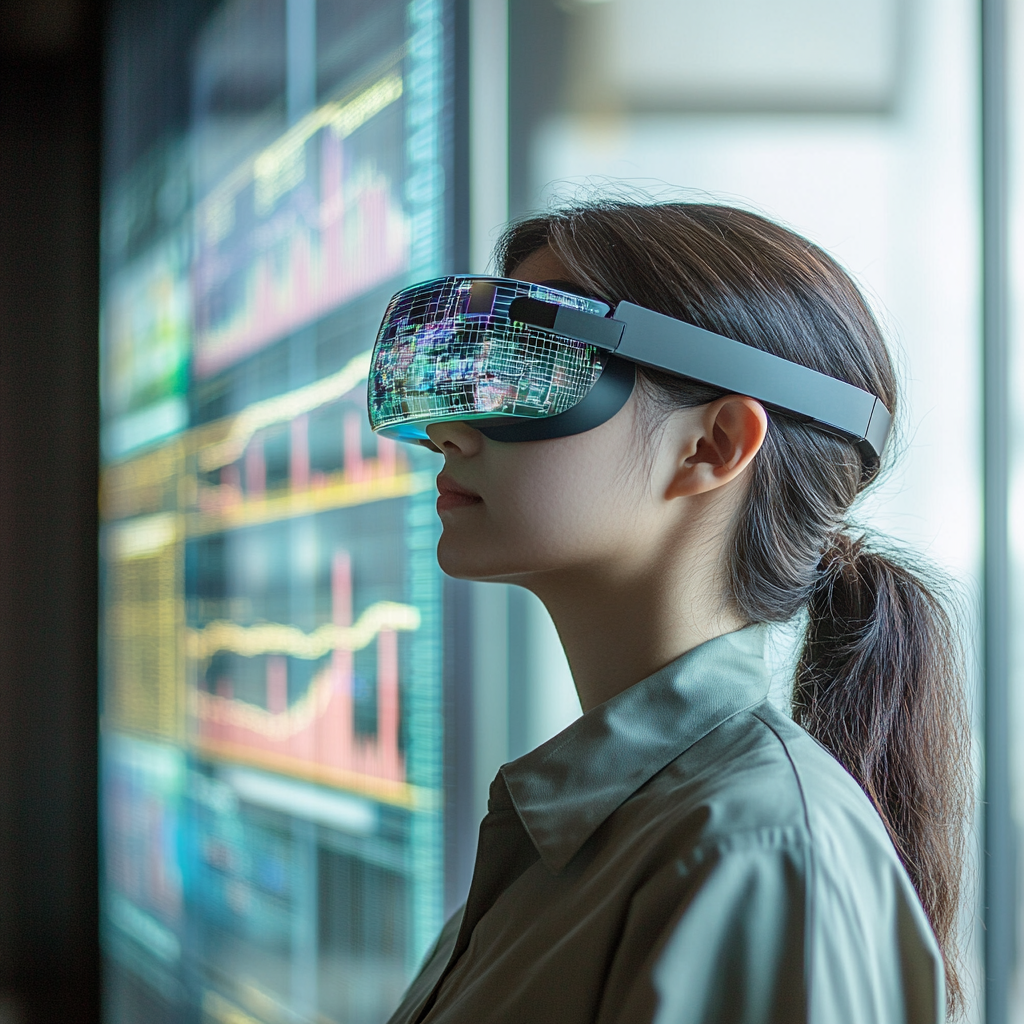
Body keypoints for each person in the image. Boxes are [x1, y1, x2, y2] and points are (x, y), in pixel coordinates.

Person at [377, 202, 971, 1024]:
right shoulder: (582, 839)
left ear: (713, 446)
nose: (446, 427)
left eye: (532, 362)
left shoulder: (755, 853)